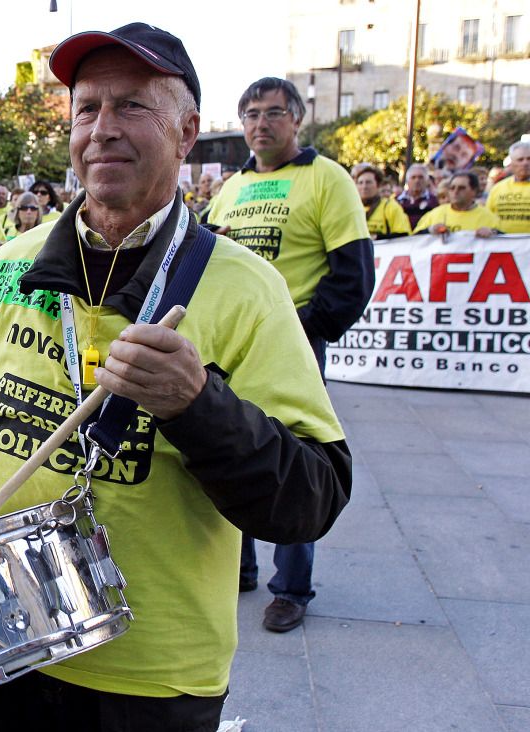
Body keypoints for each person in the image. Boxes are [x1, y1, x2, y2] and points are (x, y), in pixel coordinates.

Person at [0, 24, 351, 732]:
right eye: (87, 109)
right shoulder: (12, 261)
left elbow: (311, 499)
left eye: (133, 106)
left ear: (187, 132)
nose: (103, 129)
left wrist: (197, 404)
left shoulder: (249, 289)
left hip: (151, 674)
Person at [206, 76, 371, 634]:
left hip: (295, 344)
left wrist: (302, 330)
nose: (261, 123)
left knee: (296, 459)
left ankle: (291, 587)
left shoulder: (329, 180)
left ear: (296, 120)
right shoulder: (230, 188)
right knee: (234, 448)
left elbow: (353, 276)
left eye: (274, 112)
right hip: (233, 345)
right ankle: (241, 566)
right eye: (250, 113)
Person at [414, 171, 502, 238]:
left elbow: (506, 242)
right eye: (452, 188)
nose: (455, 192)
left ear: (474, 191)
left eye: (461, 188)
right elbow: (413, 240)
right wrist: (431, 230)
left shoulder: (489, 218)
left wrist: (493, 234)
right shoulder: (434, 215)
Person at [353, 164, 411, 239]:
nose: (364, 187)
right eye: (360, 183)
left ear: (378, 185)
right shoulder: (352, 208)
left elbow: (404, 235)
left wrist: (377, 237)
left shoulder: (390, 207)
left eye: (368, 182)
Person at [485, 141, 530, 233]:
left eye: (529, 159)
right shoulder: (497, 188)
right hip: (503, 245)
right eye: (520, 159)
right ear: (512, 164)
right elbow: (487, 217)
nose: (525, 163)